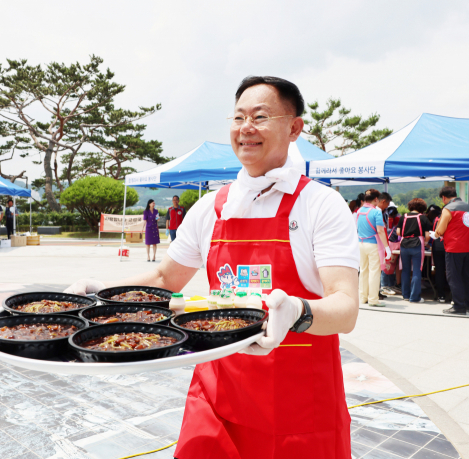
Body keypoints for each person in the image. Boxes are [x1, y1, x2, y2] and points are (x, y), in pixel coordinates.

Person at [64, 76, 360, 458]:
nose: (246, 128)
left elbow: (345, 307)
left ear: (294, 128)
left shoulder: (321, 204)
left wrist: (296, 310)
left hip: (298, 405)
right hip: (218, 395)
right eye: (238, 118)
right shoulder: (210, 207)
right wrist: (100, 293)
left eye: (260, 116)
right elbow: (163, 278)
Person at [433, 186, 469, 314]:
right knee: (467, 277)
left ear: (444, 198)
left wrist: (435, 233)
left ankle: (458, 306)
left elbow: (440, 230)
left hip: (454, 247)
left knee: (454, 277)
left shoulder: (448, 209)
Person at [357, 188, 391, 307]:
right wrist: (387, 248)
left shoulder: (359, 210)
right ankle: (373, 299)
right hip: (373, 245)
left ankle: (362, 297)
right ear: (376, 199)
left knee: (363, 271)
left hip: (360, 244)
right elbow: (380, 231)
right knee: (374, 272)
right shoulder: (376, 212)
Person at [397, 198, 431, 302]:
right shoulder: (423, 218)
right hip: (417, 244)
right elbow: (427, 235)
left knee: (405, 270)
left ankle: (405, 295)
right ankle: (414, 297)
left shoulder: (404, 217)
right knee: (417, 270)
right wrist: (425, 242)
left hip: (404, 245)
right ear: (422, 207)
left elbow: (398, 232)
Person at [427, 205, 448, 302]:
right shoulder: (452, 217)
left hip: (437, 245)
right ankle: (452, 295)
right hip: (449, 245)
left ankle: (441, 295)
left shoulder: (437, 218)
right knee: (451, 270)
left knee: (439, 270)